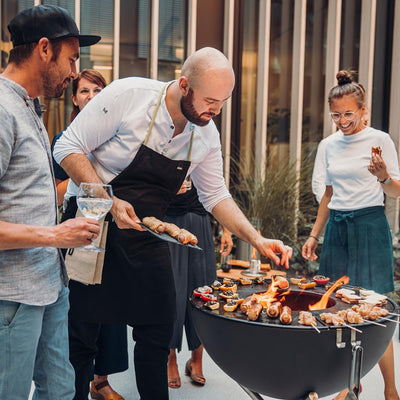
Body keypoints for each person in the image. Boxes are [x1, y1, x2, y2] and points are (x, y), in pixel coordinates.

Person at [53, 46, 292, 400]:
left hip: (146, 230)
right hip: (92, 226)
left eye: (223, 102)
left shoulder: (205, 134)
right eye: (210, 100)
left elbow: (215, 196)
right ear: (184, 85)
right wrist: (110, 201)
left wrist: (256, 239)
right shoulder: (129, 96)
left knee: (159, 325)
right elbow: (67, 148)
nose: (216, 110)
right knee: (83, 334)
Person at [0, 5, 100, 400]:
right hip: (13, 295)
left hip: (50, 286)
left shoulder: (29, 105)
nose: (75, 72)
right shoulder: (3, 110)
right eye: (71, 58)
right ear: (44, 48)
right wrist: (57, 234)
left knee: (59, 391)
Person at [302, 70, 400, 400]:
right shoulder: (328, 146)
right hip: (338, 230)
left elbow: (396, 192)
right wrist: (315, 236)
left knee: (377, 309)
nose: (342, 121)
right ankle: (346, 383)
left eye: (348, 113)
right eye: (336, 115)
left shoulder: (380, 140)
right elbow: (328, 195)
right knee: (335, 307)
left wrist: (385, 176)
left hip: (370, 227)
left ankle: (390, 389)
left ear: (362, 110)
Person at [50, 69, 128, 400]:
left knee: (111, 312)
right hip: (82, 221)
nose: (92, 96)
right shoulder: (63, 141)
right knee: (82, 314)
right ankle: (78, 386)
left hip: (118, 225)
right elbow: (52, 191)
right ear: (75, 98)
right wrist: (84, 174)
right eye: (85, 91)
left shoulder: (117, 140)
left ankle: (101, 380)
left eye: (98, 90)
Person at [164, 184, 233, 389]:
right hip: (170, 221)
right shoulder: (163, 150)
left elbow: (217, 187)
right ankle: (170, 360)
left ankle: (196, 360)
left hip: (200, 221)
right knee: (173, 290)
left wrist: (226, 229)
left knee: (202, 290)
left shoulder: (206, 150)